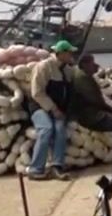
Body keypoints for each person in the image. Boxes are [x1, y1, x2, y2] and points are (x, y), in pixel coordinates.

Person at [27, 40, 77, 180]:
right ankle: (35, 169)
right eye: (69, 53)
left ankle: (57, 166)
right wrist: (53, 109)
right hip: (40, 107)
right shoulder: (44, 67)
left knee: (60, 129)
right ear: (61, 53)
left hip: (58, 109)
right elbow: (37, 93)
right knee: (46, 129)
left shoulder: (67, 70)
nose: (71, 55)